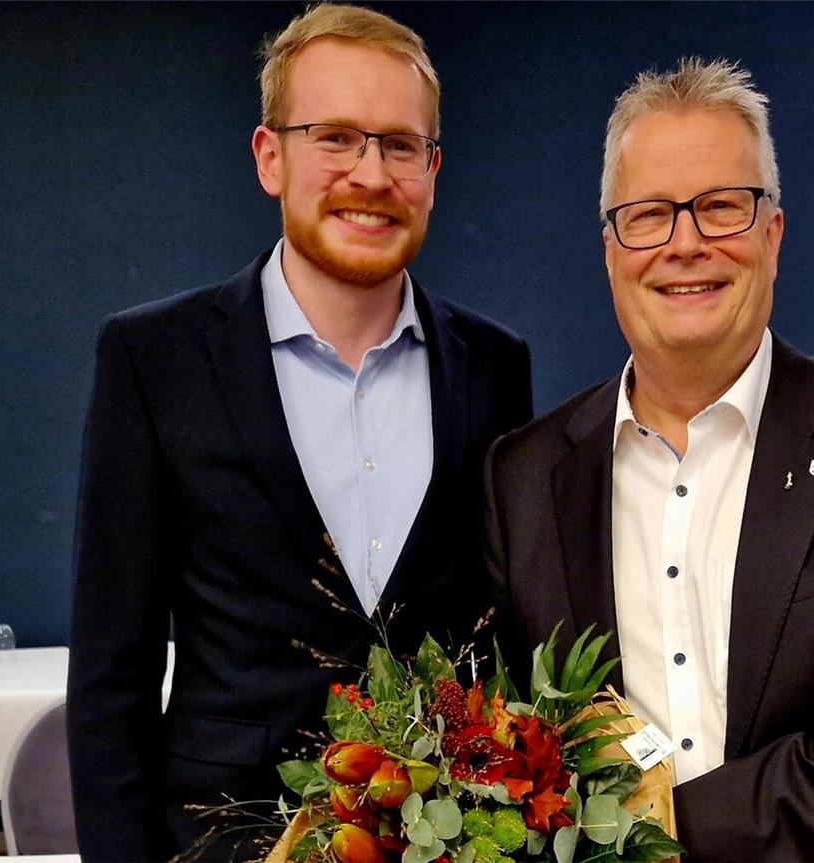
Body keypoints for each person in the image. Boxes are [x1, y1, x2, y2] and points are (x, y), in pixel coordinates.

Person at [485, 57, 814, 861]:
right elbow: (506, 737)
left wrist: (665, 833)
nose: (686, 244)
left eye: (722, 206)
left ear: (773, 235)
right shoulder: (521, 475)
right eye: (650, 214)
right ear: (612, 249)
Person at [66, 5, 531, 859]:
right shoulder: (153, 358)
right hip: (219, 841)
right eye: (336, 137)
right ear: (270, 157)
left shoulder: (496, 367)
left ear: (432, 169)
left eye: (400, 144)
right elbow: (111, 678)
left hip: (446, 841)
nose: (371, 171)